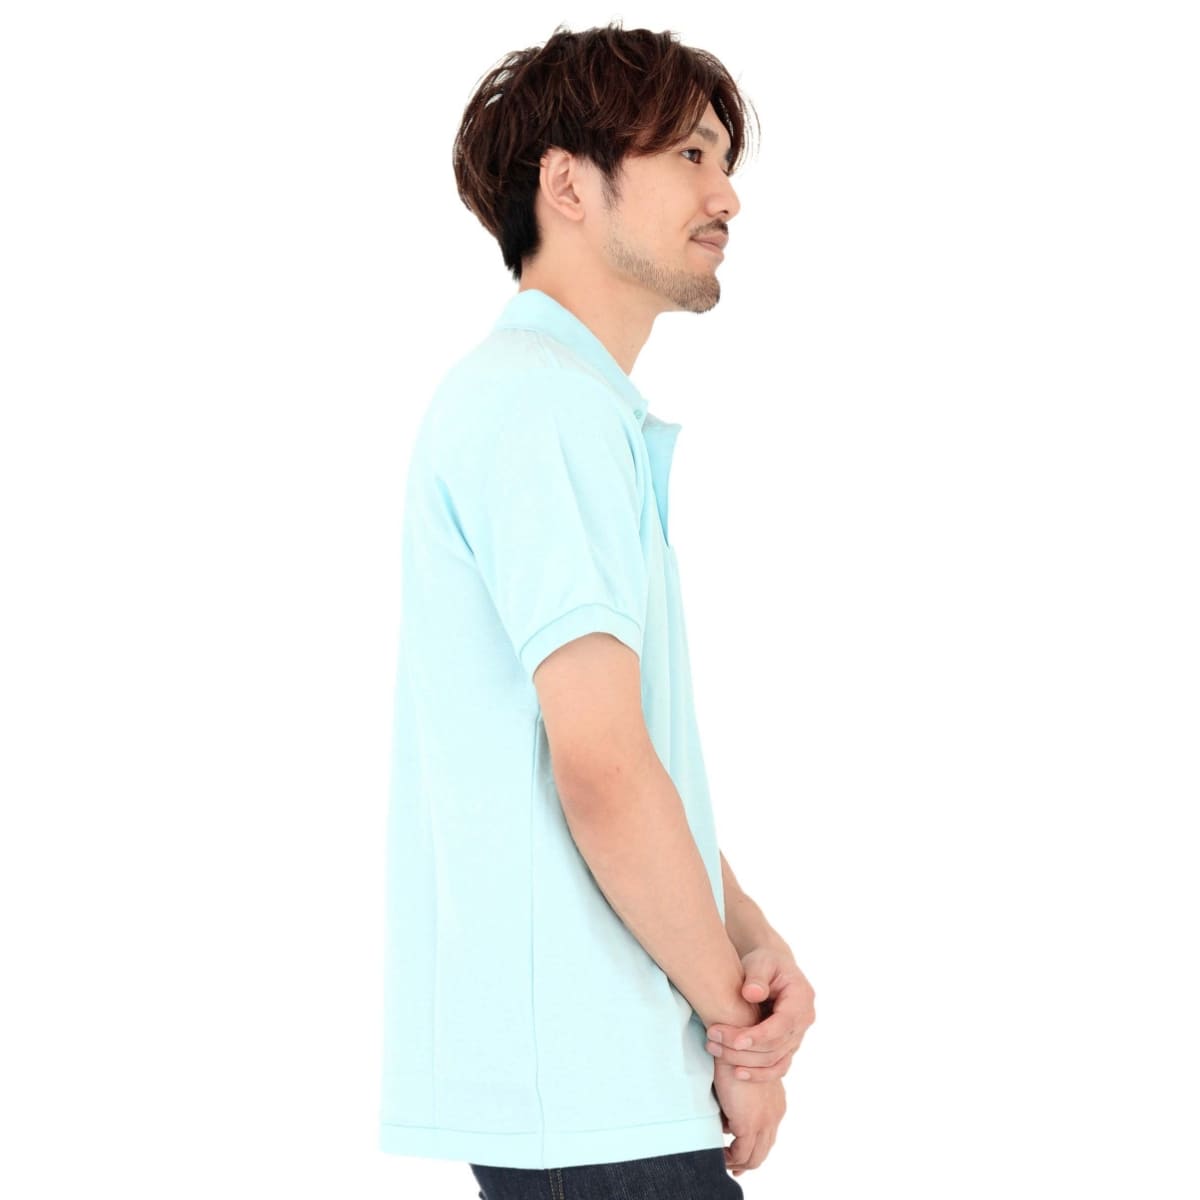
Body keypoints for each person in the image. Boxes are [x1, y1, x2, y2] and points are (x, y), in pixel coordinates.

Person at [378, 21, 815, 1197]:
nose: (726, 195)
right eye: (689, 155)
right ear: (568, 185)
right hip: (596, 1093)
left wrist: (746, 934)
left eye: (725, 161)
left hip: (591, 1090)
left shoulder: (552, 401)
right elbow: (602, 772)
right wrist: (739, 1032)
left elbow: (624, 756)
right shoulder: (546, 409)